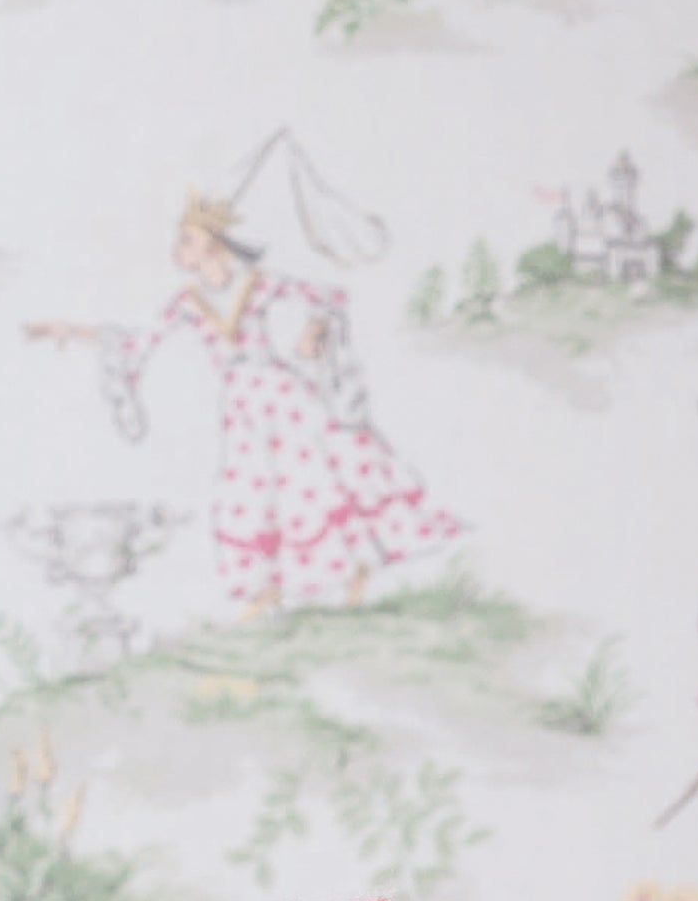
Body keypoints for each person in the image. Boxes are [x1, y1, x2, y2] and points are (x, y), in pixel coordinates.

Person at [32, 139, 459, 616]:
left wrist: (314, 333)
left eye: (187, 240)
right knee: (251, 495)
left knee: (310, 483)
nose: (177, 249)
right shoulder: (186, 302)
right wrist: (74, 331)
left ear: (213, 244)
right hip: (241, 409)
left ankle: (352, 571)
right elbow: (137, 343)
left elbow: (331, 298)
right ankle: (268, 587)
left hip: (284, 398)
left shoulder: (261, 283)